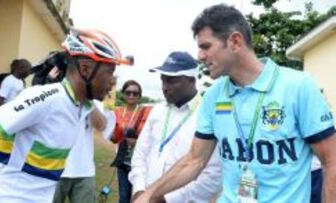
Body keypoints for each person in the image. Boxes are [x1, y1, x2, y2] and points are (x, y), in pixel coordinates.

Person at [133, 4, 336, 203]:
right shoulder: (213, 96)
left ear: (235, 42)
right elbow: (194, 160)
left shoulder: (298, 87)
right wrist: (149, 195)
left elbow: (331, 161)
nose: (199, 56)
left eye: (206, 46)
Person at [0, 28, 130, 203]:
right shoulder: (46, 98)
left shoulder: (81, 106)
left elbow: (105, 127)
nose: (113, 81)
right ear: (85, 69)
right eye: (109, 71)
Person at [129, 51, 222, 203]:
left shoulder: (208, 115)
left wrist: (167, 199)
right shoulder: (157, 111)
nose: (164, 87)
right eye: (163, 80)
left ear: (192, 80)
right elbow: (140, 154)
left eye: (171, 81)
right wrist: (139, 190)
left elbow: (212, 174)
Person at [53, 100, 115, 203]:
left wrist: (88, 100)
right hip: (53, 168)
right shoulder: (58, 97)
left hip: (84, 170)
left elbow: (101, 126)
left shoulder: (94, 102)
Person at [110, 80, 152, 203]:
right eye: (128, 93)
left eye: (135, 93)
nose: (131, 96)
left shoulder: (147, 112)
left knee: (139, 196)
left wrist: (137, 141)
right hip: (123, 160)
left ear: (139, 95)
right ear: (123, 94)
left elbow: (151, 136)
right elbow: (113, 137)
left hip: (141, 162)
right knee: (123, 197)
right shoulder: (116, 112)